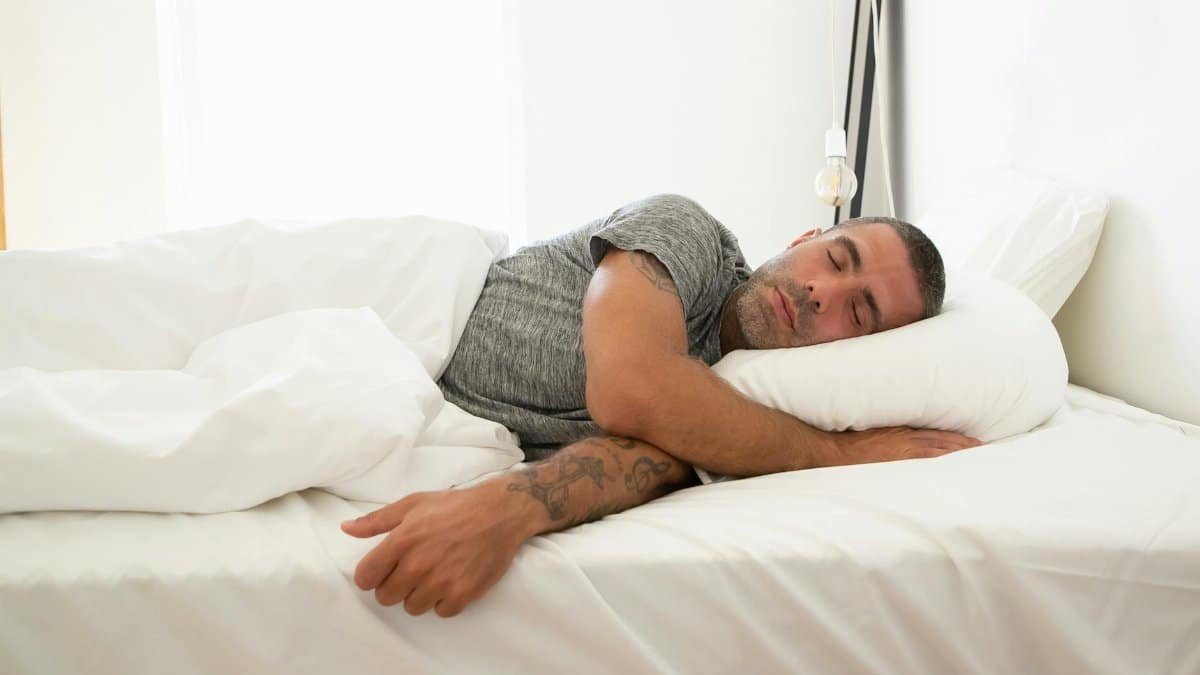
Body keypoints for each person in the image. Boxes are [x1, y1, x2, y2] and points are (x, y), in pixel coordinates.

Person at [339, 193, 981, 618]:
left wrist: (509, 508)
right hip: (376, 324)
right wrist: (838, 454)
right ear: (804, 237)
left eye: (859, 312)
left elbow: (649, 458)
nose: (821, 292)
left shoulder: (748, 415)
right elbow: (633, 389)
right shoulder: (688, 234)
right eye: (835, 259)